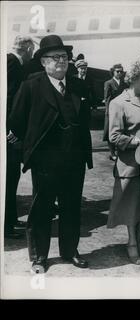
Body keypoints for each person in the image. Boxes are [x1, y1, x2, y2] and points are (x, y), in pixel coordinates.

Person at [9, 35, 93, 274]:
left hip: (74, 159)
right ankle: (38, 256)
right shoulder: (31, 85)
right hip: (45, 161)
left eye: (64, 57)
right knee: (41, 208)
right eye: (55, 58)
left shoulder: (78, 85)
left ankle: (70, 251)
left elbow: (84, 120)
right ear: (43, 62)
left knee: (71, 206)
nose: (61, 62)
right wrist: (30, 148)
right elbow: (15, 121)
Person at [107, 60, 140, 265]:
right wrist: (138, 141)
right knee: (131, 206)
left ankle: (138, 241)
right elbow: (114, 136)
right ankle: (131, 243)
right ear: (133, 79)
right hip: (130, 163)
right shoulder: (118, 103)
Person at [5, 35, 34, 239]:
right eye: (32, 50)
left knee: (11, 177)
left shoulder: (13, 63)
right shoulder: (12, 62)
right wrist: (9, 129)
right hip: (9, 135)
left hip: (10, 133)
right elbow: (7, 99)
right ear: (26, 48)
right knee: (8, 179)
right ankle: (5, 227)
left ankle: (10, 219)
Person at [103, 63, 126, 161]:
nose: (119, 73)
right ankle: (112, 153)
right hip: (112, 110)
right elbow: (107, 98)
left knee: (122, 130)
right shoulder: (108, 83)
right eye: (117, 71)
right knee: (110, 131)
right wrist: (108, 111)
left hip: (123, 108)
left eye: (121, 71)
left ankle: (120, 152)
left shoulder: (124, 83)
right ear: (113, 72)